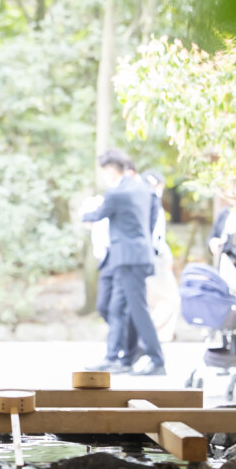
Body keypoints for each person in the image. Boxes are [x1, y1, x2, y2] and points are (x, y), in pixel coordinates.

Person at [81, 148, 165, 375]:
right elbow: (151, 220)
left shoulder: (116, 193)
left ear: (110, 169)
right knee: (118, 308)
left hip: (127, 259)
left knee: (138, 310)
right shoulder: (143, 190)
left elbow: (96, 215)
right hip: (137, 255)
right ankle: (118, 358)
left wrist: (84, 216)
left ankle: (157, 360)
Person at [141, 169, 180, 343]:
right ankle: (150, 335)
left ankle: (150, 336)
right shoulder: (151, 202)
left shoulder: (146, 202)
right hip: (155, 258)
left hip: (152, 256)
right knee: (170, 299)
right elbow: (155, 236)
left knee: (158, 300)